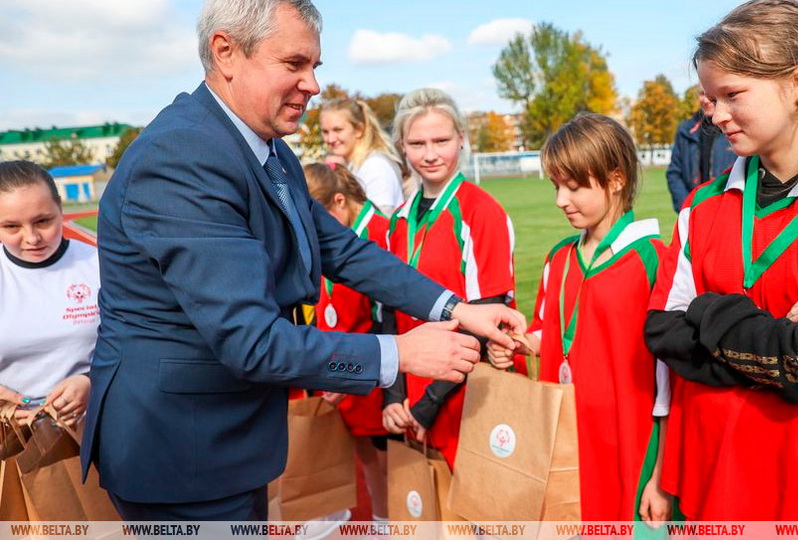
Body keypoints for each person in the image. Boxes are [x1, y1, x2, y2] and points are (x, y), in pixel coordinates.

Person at [81, 0, 525, 522]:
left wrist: (452, 307)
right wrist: (397, 354)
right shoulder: (182, 158)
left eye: (315, 67)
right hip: (180, 449)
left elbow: (338, 248)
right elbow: (251, 341)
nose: (313, 84)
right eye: (294, 64)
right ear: (226, 52)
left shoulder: (261, 143)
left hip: (225, 438)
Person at [645, 0, 798, 521]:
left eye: (732, 95)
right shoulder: (702, 206)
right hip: (701, 481)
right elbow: (659, 330)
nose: (716, 114)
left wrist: (704, 311)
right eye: (710, 97)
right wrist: (770, 336)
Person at [487, 113, 672, 524]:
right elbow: (547, 335)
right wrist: (519, 347)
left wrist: (661, 474)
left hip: (630, 446)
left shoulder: (653, 261)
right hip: (564, 442)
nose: (560, 200)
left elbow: (671, 381)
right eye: (556, 186)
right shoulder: (560, 257)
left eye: (574, 187)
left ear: (616, 179)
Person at [381, 88, 516, 469]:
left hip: (465, 395)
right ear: (401, 147)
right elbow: (388, 313)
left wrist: (428, 406)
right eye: (417, 143)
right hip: (412, 391)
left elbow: (484, 321)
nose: (430, 153)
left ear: (461, 139)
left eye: (441, 140)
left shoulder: (480, 211)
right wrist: (393, 396)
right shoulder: (398, 220)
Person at [304, 162, 391, 523]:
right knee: (364, 456)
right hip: (344, 367)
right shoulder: (332, 238)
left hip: (372, 367)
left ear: (339, 202)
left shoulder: (378, 233)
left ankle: (387, 521)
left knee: (386, 457)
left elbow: (383, 317)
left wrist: (345, 370)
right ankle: (377, 520)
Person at [0, 160, 97, 425]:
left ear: (60, 209)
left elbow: (133, 342)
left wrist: (91, 381)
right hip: (12, 440)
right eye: (11, 227)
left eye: (43, 221)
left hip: (95, 429)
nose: (32, 238)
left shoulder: (100, 264)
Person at [321, 98, 410, 214]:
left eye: (338, 130)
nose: (330, 139)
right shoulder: (356, 165)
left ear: (359, 130)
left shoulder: (375, 166)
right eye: (325, 132)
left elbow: (381, 220)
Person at [666, 88, 737, 212]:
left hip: (729, 211)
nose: (705, 100)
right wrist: (687, 207)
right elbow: (674, 173)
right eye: (701, 94)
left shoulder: (736, 129)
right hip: (694, 210)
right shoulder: (685, 131)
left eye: (708, 94)